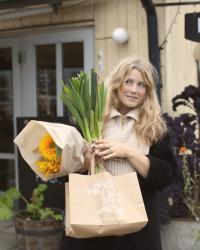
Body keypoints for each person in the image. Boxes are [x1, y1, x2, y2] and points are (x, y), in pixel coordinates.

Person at [67, 57, 177, 250]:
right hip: (91, 222)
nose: (134, 90)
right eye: (128, 81)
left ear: (148, 92)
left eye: (142, 85)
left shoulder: (155, 128)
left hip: (137, 230)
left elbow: (166, 176)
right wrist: (87, 160)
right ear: (117, 84)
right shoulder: (89, 119)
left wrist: (128, 152)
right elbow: (64, 172)